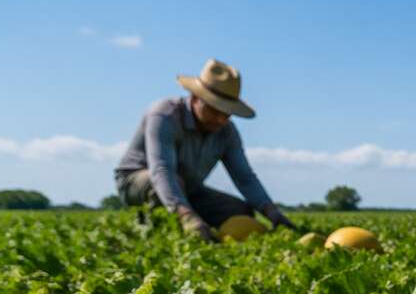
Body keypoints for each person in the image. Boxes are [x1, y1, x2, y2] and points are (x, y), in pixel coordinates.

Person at [114, 59, 294, 242]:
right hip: (137, 182)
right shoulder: (165, 115)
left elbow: (244, 177)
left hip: (189, 189)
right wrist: (186, 215)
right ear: (195, 98)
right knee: (168, 183)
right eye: (214, 110)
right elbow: (162, 170)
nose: (220, 120)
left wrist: (271, 211)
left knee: (240, 211)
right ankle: (158, 231)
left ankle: (200, 230)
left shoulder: (227, 132)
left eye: (227, 113)